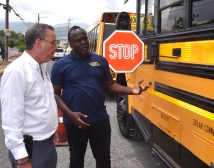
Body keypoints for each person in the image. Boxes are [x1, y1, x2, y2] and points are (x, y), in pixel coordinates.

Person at [51, 26, 150, 168]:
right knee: (76, 160)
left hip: (100, 120)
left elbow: (109, 85)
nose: (84, 42)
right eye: (78, 40)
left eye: (85, 38)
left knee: (104, 160)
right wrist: (70, 115)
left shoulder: (101, 61)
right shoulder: (60, 65)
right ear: (70, 43)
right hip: (74, 122)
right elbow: (55, 93)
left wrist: (131, 90)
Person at [0, 23, 59, 168]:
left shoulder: (41, 66)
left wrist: (53, 128)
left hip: (47, 142)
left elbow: (45, 102)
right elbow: (11, 120)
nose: (56, 47)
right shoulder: (17, 71)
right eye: (53, 43)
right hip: (31, 150)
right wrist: (22, 160)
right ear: (39, 43)